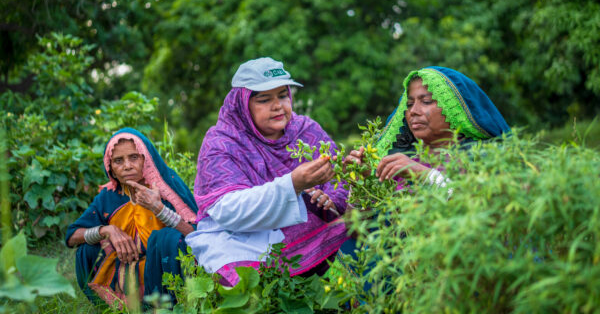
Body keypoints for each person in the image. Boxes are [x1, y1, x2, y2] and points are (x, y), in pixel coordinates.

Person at [185, 57, 349, 286]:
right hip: (244, 237)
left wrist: (330, 200)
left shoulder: (306, 131)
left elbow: (339, 178)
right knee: (242, 276)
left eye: (283, 95)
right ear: (242, 105)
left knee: (357, 227)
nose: (278, 106)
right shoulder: (221, 143)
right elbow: (228, 210)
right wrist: (293, 184)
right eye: (264, 99)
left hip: (306, 229)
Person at [65, 128, 198, 306]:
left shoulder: (166, 185)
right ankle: (119, 306)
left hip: (165, 271)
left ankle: (173, 305)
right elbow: (72, 237)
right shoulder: (108, 196)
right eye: (118, 161)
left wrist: (158, 209)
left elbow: (195, 234)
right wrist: (106, 230)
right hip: (127, 270)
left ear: (146, 158)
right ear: (109, 166)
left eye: (134, 157)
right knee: (86, 250)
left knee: (167, 238)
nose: (127, 165)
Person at [346, 65, 510, 192]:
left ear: (454, 110)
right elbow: (357, 230)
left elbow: (484, 212)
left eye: (426, 101)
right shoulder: (397, 160)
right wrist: (363, 182)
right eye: (409, 104)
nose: (413, 111)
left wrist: (424, 174)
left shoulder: (481, 155)